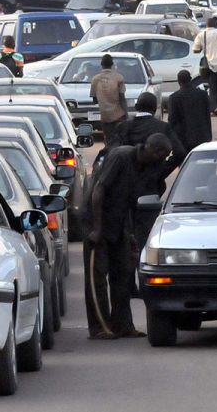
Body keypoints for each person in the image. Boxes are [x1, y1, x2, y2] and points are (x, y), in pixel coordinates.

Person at [84, 132, 170, 339]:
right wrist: (97, 228)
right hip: (98, 221)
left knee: (123, 274)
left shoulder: (149, 168)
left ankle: (122, 325)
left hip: (121, 223)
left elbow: (133, 202)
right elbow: (99, 191)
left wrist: (131, 234)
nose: (164, 160)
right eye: (163, 155)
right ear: (153, 150)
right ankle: (100, 327)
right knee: (97, 278)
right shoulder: (121, 156)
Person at [109, 92, 187, 166]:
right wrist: (162, 170)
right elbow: (180, 153)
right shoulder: (163, 127)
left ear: (136, 107)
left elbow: (111, 152)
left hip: (126, 176)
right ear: (155, 108)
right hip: (154, 176)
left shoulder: (123, 126)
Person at [193, 16, 217, 117]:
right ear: (215, 24)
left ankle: (212, 109)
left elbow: (195, 50)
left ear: (207, 24)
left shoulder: (202, 34)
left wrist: (204, 48)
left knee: (213, 88)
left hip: (209, 66)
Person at [166, 69, 213, 150]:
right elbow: (207, 116)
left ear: (178, 81)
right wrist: (209, 135)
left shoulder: (174, 98)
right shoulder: (202, 94)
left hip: (184, 139)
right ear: (190, 79)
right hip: (203, 137)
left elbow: (172, 120)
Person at [90, 54, 128, 142]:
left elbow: (94, 100)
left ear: (101, 64)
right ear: (112, 64)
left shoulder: (95, 79)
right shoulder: (119, 78)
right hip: (119, 116)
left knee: (108, 140)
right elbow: (122, 98)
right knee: (120, 139)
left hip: (105, 117)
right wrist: (126, 114)